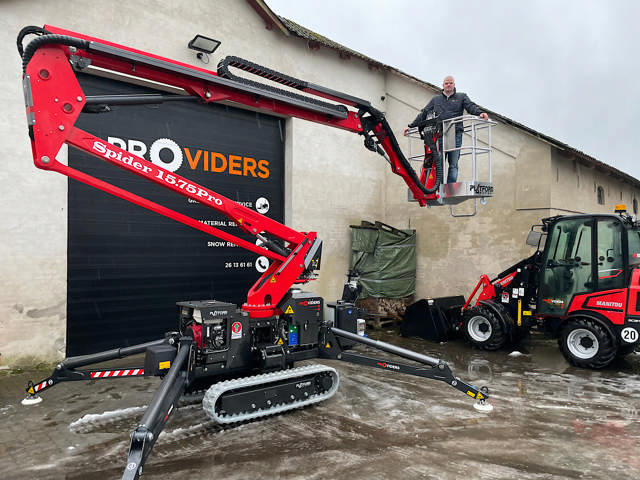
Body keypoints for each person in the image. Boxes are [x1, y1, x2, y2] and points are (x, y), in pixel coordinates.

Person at [406, 76, 488, 183]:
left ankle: (450, 186)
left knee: (453, 163)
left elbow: (471, 106)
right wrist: (411, 126)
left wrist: (480, 113)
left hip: (455, 134)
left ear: (454, 85)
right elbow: (424, 113)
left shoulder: (461, 97)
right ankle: (439, 186)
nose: (448, 85)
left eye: (450, 83)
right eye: (446, 83)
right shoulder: (436, 100)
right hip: (440, 134)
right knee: (439, 163)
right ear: (443, 85)